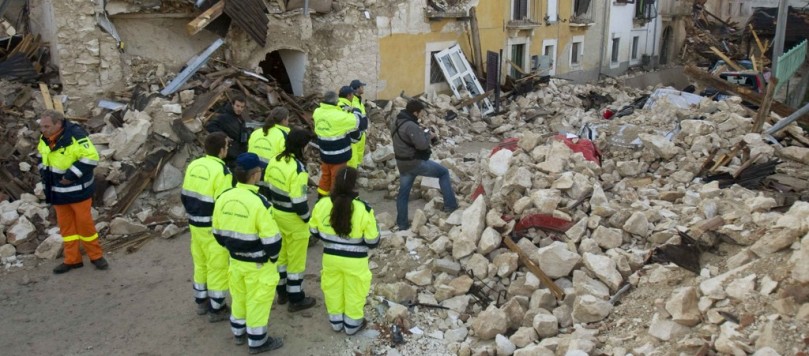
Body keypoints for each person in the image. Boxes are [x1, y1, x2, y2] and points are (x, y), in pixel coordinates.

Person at [212, 152, 284, 353]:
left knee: (239, 297)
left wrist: (233, 249)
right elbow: (272, 240)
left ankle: (239, 332)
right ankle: (258, 341)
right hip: (258, 264)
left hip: (235, 261)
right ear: (255, 175)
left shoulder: (223, 198)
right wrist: (272, 258)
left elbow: (217, 233)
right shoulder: (259, 203)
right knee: (258, 301)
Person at [37, 110, 109, 274]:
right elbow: (42, 157)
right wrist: (44, 175)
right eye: (41, 126)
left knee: (85, 225)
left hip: (77, 191)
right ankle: (72, 260)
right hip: (57, 192)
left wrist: (70, 176)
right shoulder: (45, 138)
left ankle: (96, 256)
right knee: (66, 228)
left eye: (47, 126)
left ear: (58, 124)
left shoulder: (75, 136)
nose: (43, 130)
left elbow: (91, 157)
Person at [309, 167, 379, 335]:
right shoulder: (363, 209)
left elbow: (313, 231)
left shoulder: (322, 204)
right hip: (356, 261)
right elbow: (372, 241)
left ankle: (336, 323)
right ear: (355, 186)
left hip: (330, 258)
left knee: (332, 289)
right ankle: (352, 325)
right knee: (355, 290)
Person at [180, 132, 233, 320]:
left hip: (195, 223)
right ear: (221, 150)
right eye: (227, 146)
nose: (228, 149)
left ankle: (201, 301)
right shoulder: (222, 172)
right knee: (217, 266)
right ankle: (217, 308)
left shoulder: (194, 165)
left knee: (200, 262)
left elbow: (185, 194)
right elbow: (223, 205)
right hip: (212, 226)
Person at [264, 129, 317, 312]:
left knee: (282, 257)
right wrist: (307, 220)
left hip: (277, 214)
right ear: (302, 147)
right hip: (294, 221)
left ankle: (282, 293)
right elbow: (299, 203)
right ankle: (296, 298)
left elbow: (266, 185)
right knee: (296, 262)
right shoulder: (298, 170)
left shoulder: (275, 160)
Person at [391, 100, 458, 230]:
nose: (422, 115)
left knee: (403, 194)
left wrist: (420, 132)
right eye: (421, 112)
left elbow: (406, 139)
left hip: (402, 163)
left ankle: (402, 224)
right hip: (415, 163)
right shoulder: (410, 125)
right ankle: (451, 206)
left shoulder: (396, 121)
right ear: (415, 112)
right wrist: (428, 135)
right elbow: (421, 145)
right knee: (443, 172)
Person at [312, 90, 360, 196]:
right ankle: (334, 201)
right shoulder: (339, 116)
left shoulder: (317, 112)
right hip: (339, 157)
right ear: (336, 102)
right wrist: (355, 110)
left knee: (325, 177)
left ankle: (321, 197)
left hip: (325, 154)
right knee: (337, 180)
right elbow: (358, 122)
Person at [206, 95, 248, 170]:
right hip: (229, 153)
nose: (239, 109)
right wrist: (224, 136)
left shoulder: (240, 119)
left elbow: (243, 134)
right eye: (237, 106)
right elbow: (210, 126)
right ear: (232, 105)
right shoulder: (224, 117)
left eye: (242, 107)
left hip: (239, 151)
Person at [340, 84, 368, 169]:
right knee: (352, 160)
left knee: (357, 156)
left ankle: (355, 172)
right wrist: (357, 135)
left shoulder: (357, 102)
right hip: (352, 137)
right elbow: (352, 122)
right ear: (349, 95)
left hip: (359, 134)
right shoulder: (346, 105)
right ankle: (350, 176)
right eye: (361, 86)